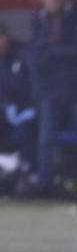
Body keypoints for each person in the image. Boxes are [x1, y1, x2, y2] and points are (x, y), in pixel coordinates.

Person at [29, 0, 77, 198]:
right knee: (46, 137)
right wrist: (56, 49)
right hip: (50, 88)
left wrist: (52, 48)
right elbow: (37, 52)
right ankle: (44, 183)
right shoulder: (38, 18)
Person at [0, 25, 36, 185]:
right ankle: (7, 161)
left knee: (29, 128)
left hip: (26, 108)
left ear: (6, 36)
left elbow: (32, 85)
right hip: (5, 109)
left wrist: (30, 107)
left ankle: (27, 171)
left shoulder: (22, 54)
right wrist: (5, 106)